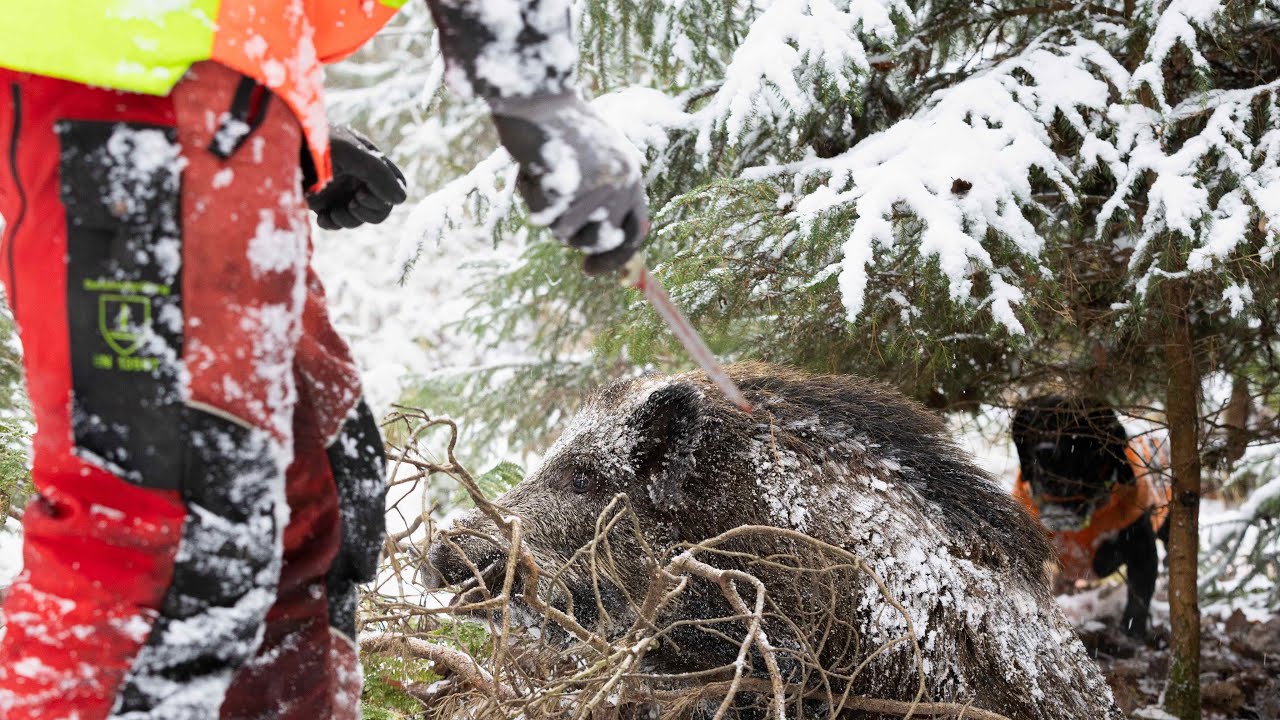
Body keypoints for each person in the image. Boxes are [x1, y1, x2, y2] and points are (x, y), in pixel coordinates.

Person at [0, 1, 647, 717]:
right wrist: (538, 94)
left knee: (309, 502)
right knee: (179, 530)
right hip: (127, 72)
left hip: (220, 87)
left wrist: (294, 128)